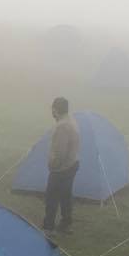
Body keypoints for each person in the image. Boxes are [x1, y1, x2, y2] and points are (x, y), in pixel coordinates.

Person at [43, 97, 80, 234]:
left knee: (51, 197)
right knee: (66, 196)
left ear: (55, 110)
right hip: (73, 163)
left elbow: (60, 152)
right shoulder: (72, 120)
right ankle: (66, 224)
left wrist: (52, 166)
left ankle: (48, 227)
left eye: (52, 109)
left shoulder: (62, 127)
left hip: (62, 168)